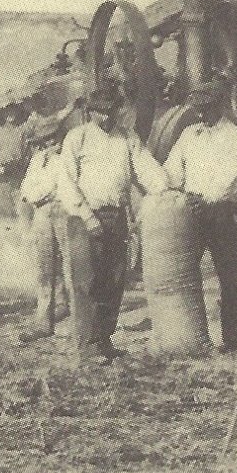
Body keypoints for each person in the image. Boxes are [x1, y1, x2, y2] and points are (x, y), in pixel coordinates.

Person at [56, 86, 170, 364]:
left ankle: (103, 339)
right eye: (100, 112)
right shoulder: (77, 138)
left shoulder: (127, 137)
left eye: (111, 111)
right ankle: (85, 346)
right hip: (85, 217)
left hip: (116, 216)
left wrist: (165, 188)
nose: (106, 118)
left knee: (115, 279)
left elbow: (146, 168)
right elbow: (66, 183)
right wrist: (87, 216)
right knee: (87, 281)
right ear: (90, 112)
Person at [163, 82, 237, 352]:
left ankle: (234, 339)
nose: (200, 115)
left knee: (227, 276)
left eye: (206, 109)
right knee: (185, 273)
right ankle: (188, 336)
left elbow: (233, 179)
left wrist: (206, 199)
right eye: (198, 110)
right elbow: (173, 168)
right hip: (191, 210)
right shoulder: (190, 135)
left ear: (220, 106)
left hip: (221, 213)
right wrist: (166, 188)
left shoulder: (236, 137)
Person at [17, 116, 76, 343]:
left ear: (60, 138)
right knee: (44, 269)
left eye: (51, 141)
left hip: (65, 210)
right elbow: (26, 190)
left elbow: (56, 188)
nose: (47, 146)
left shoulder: (67, 158)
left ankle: (77, 323)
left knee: (70, 266)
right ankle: (43, 321)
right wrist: (38, 194)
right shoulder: (38, 160)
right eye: (42, 142)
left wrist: (39, 193)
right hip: (42, 213)